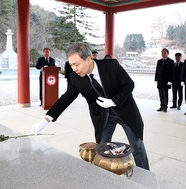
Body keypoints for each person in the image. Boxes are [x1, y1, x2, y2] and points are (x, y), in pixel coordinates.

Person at [31, 42, 150, 170]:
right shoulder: (75, 77)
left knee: (137, 145)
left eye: (76, 64)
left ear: (88, 59)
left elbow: (129, 84)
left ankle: (146, 175)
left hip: (124, 110)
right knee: (102, 148)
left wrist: (114, 101)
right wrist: (45, 120)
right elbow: (66, 98)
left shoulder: (111, 65)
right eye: (71, 65)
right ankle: (105, 174)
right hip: (104, 116)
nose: (74, 69)